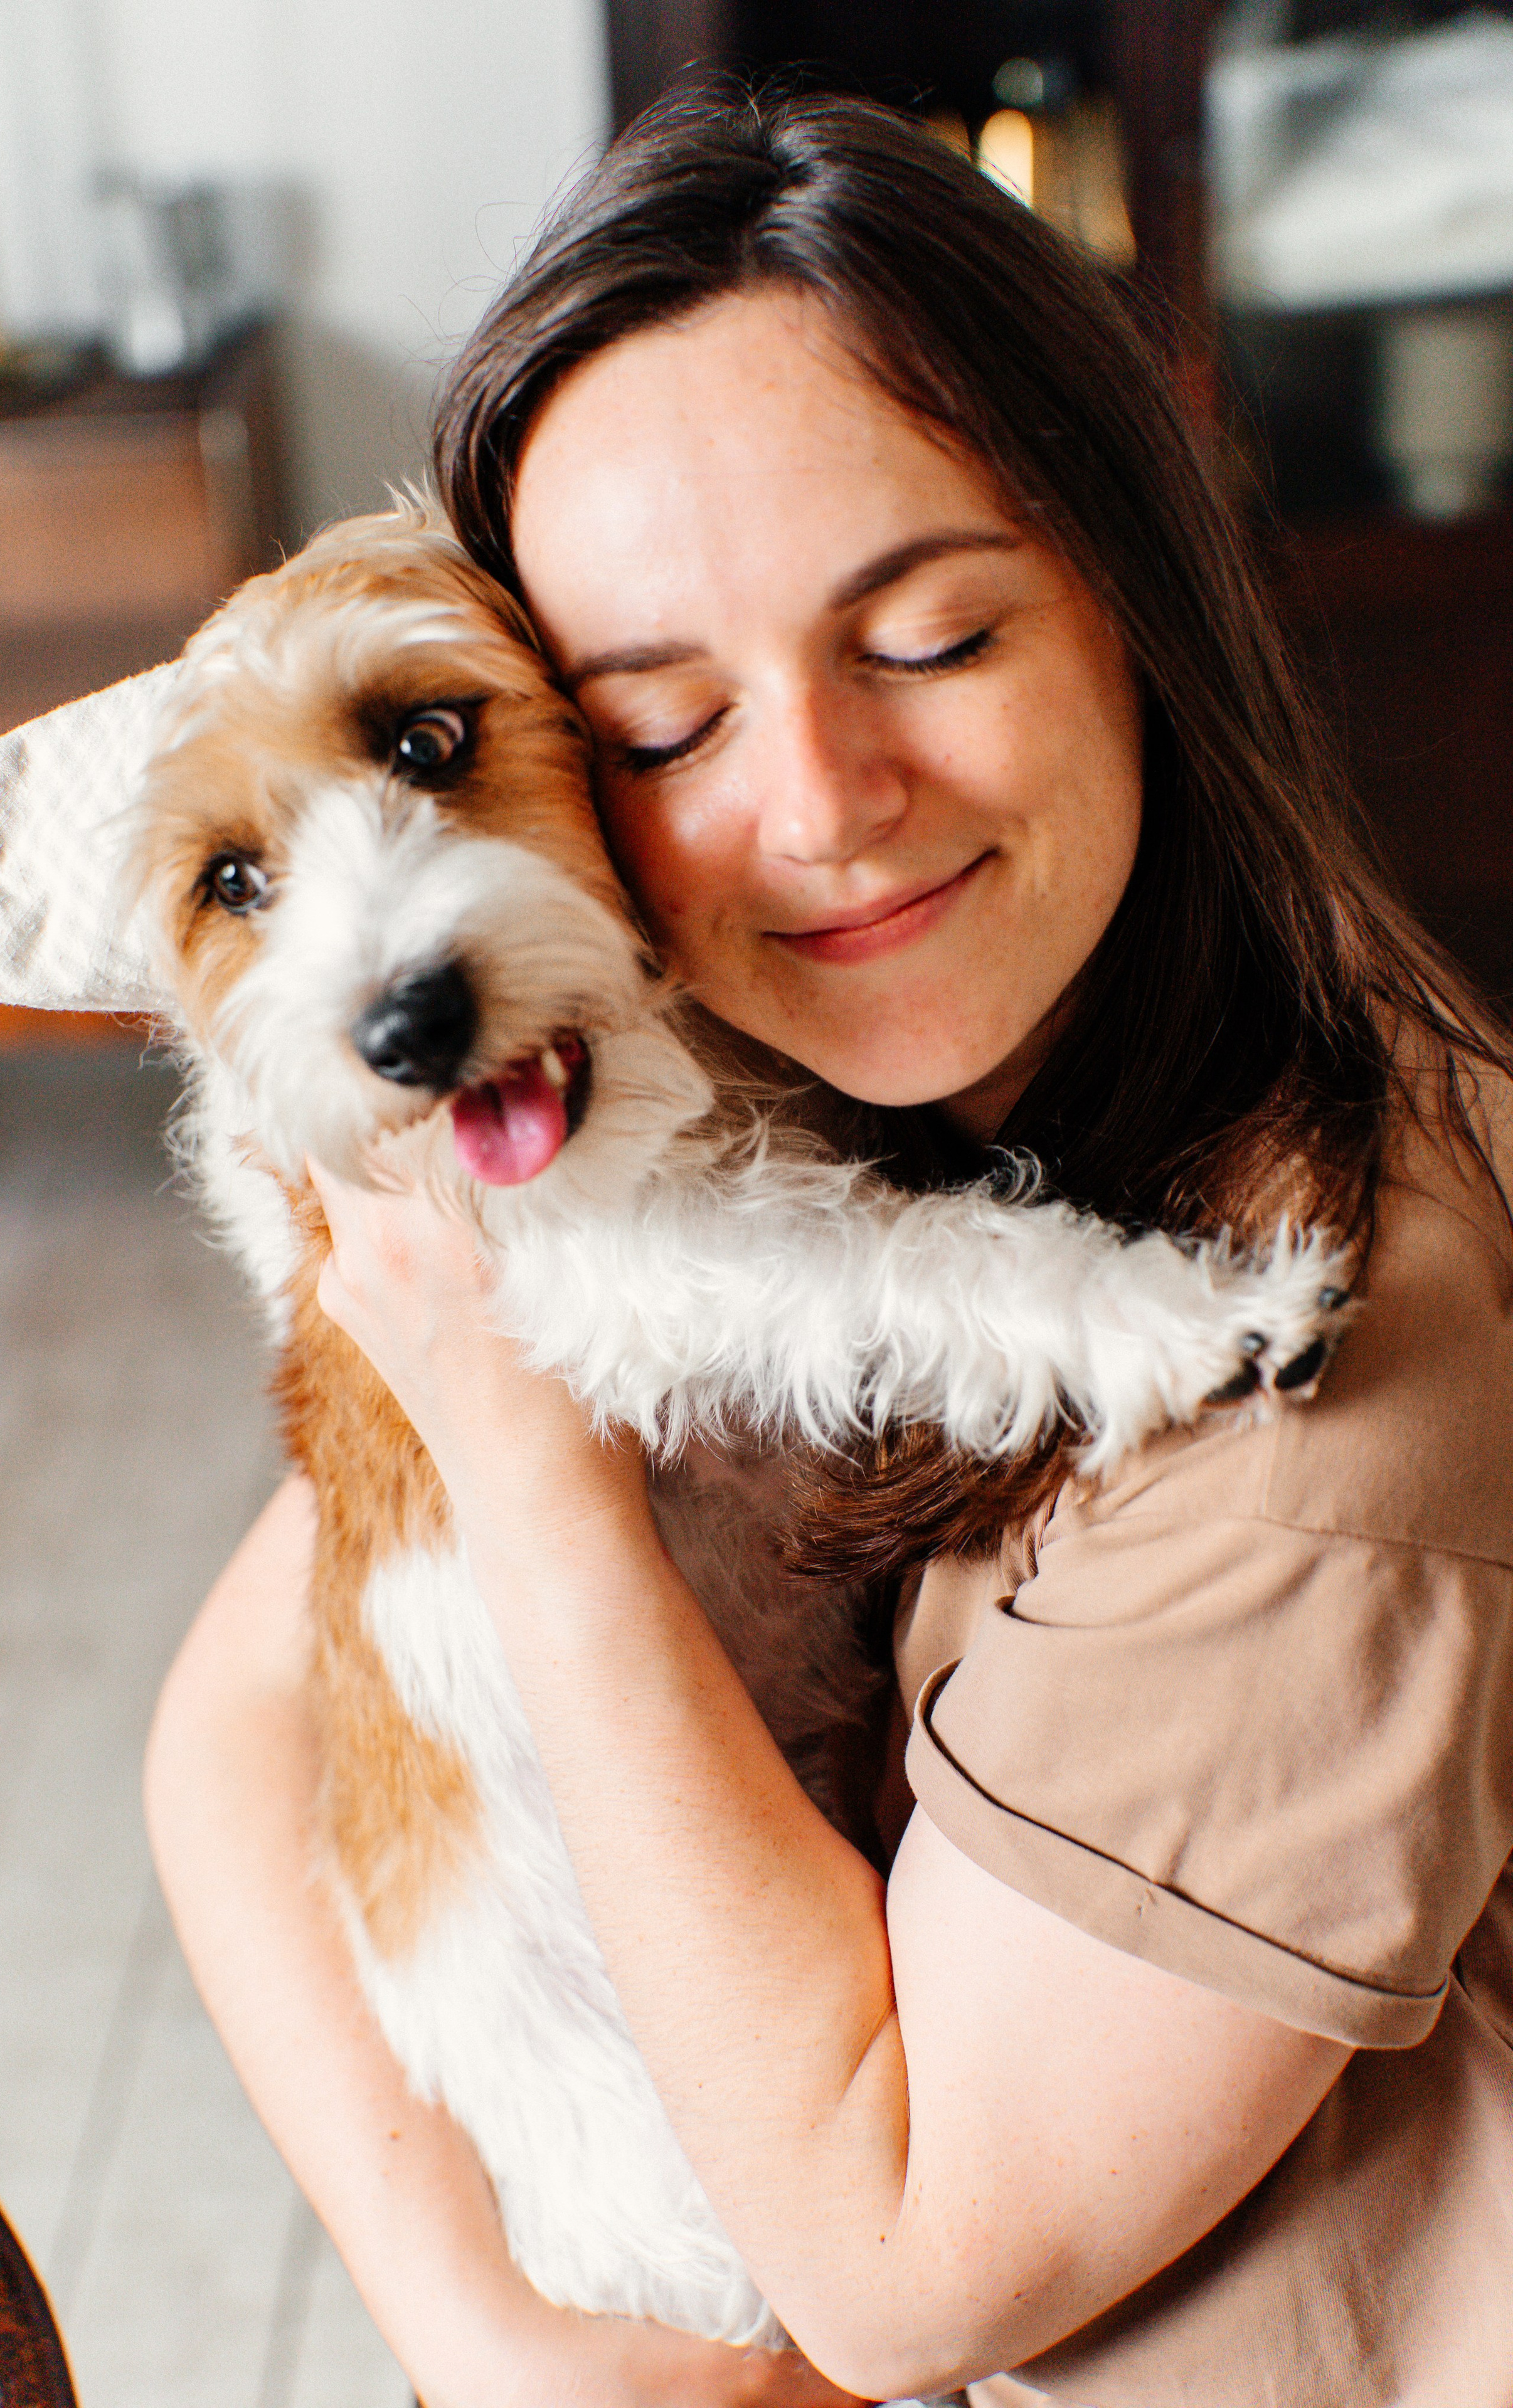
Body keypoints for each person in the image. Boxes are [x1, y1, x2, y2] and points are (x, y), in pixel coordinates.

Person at [143, 88, 1513, 2408]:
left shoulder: (1313, 1403)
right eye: (660, 718)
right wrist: (471, 2316)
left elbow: (874, 2289)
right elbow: (235, 1714)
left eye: (934, 635)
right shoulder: (807, 1093)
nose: (812, 808)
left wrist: (519, 1432)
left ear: (1136, 603)